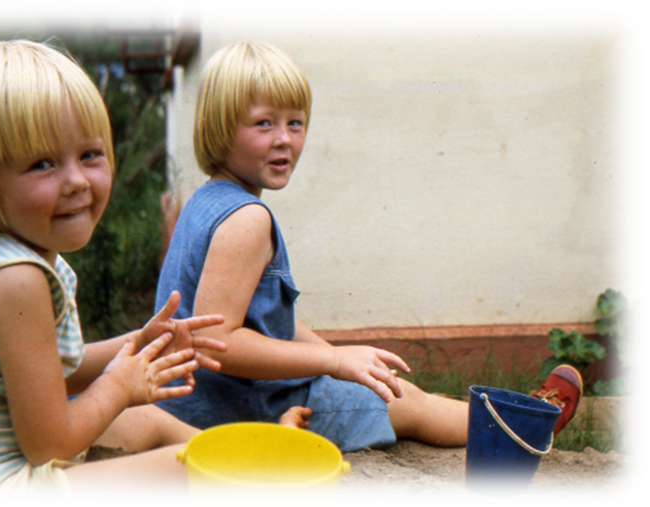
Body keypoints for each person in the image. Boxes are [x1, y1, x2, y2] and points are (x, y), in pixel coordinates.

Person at [0, 39, 310, 504]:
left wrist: (140, 342)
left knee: (151, 421)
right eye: (42, 164)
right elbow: (50, 444)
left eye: (89, 155)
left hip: (15, 464)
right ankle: (255, 464)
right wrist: (119, 386)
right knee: (185, 470)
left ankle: (259, 452)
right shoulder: (15, 281)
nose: (77, 181)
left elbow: (51, 376)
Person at [153, 41, 583, 453]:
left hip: (194, 405)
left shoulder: (204, 201)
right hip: (245, 412)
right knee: (412, 405)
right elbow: (214, 342)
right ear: (220, 129)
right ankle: (529, 425)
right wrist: (334, 364)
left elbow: (260, 325)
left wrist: (335, 355)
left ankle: (517, 416)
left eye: (295, 122)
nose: (284, 138)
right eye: (264, 123)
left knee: (391, 387)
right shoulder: (248, 219)